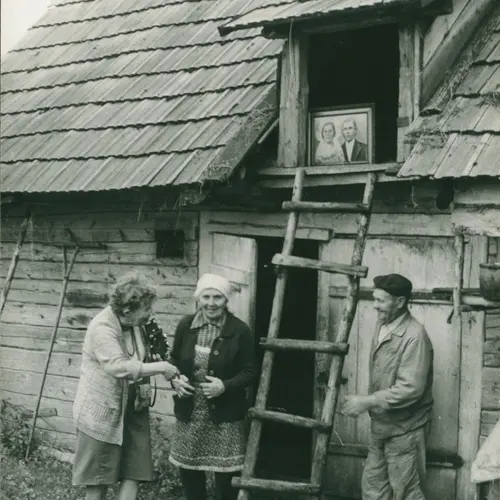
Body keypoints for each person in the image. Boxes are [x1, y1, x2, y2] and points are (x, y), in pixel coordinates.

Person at [72, 272, 179, 500]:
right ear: (127, 311)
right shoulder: (102, 328)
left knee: (135, 469)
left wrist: (173, 375)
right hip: (102, 410)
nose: (151, 313)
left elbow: (159, 351)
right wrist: (161, 367)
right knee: (98, 475)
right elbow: (118, 367)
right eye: (146, 308)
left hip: (134, 405)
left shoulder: (140, 322)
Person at [342, 274, 434, 500]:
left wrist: (366, 401)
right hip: (382, 426)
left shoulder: (415, 336)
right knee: (373, 490)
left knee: (407, 493)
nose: (375, 306)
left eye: (381, 301)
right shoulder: (383, 324)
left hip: (405, 430)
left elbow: (410, 389)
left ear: (400, 302)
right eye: (375, 299)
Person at [169, 273, 257, 500]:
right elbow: (174, 361)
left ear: (226, 300)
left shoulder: (240, 330)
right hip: (190, 412)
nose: (210, 303)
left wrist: (225, 386)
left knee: (226, 480)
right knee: (190, 475)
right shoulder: (185, 326)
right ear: (198, 298)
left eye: (217, 297)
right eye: (205, 296)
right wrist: (175, 380)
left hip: (225, 415)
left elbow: (251, 372)